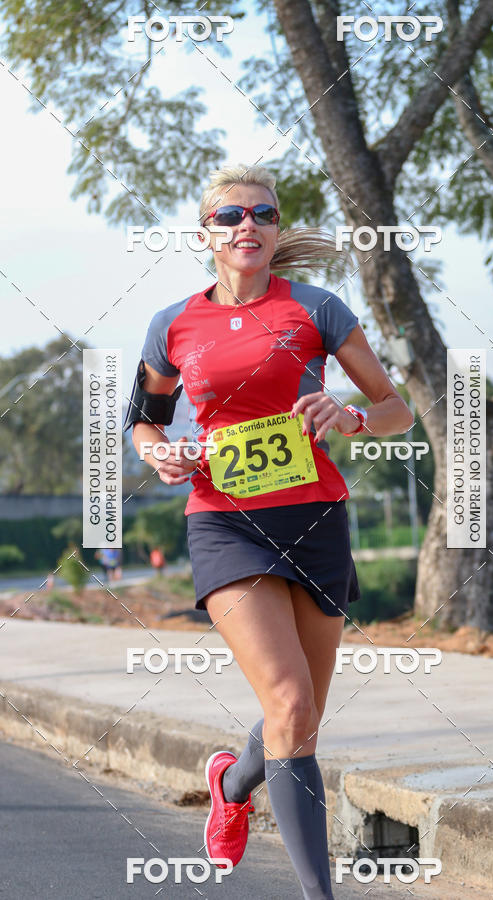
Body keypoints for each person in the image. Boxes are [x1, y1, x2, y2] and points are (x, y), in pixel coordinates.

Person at [124, 164, 413, 899]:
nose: (246, 224)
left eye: (262, 213)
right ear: (206, 236)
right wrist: (162, 454)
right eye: (229, 217)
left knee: (300, 721)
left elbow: (395, 410)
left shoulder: (316, 309)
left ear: (276, 229)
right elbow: (144, 421)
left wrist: (349, 416)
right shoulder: (173, 325)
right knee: (287, 703)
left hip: (316, 518)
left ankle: (231, 782)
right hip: (225, 522)